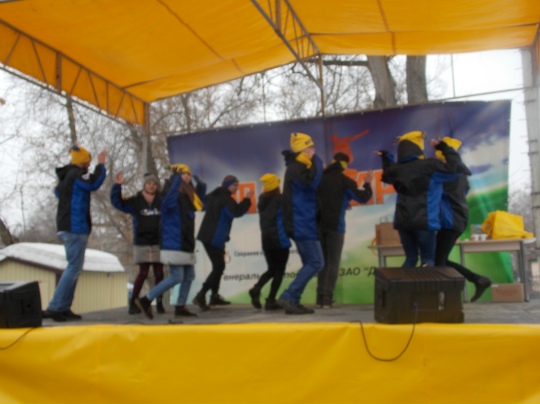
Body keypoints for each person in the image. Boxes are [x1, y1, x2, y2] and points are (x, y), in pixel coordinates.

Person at [377, 131, 470, 267]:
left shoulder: (397, 170)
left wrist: (386, 158)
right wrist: (444, 148)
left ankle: (403, 282)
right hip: (424, 221)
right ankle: (427, 282)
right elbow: (457, 168)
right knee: (428, 260)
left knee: (410, 259)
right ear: (418, 148)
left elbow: (387, 175)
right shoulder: (430, 166)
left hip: (403, 222)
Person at [43, 145, 107, 322]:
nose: (89, 165)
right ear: (82, 162)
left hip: (66, 226)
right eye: (88, 162)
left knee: (74, 267)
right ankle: (55, 307)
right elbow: (93, 183)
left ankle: (64, 307)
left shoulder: (65, 178)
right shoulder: (75, 175)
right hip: (75, 227)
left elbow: (58, 193)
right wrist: (101, 165)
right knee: (73, 267)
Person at [136, 164, 206, 318]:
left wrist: (201, 187)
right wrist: (175, 180)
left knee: (189, 276)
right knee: (177, 276)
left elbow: (201, 205)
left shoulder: (188, 195)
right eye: (183, 174)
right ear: (176, 176)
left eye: (188, 174)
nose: (187, 176)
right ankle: (146, 299)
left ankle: (180, 307)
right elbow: (168, 203)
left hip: (185, 242)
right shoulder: (170, 191)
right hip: (173, 242)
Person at [434, 137, 492, 302]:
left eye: (439, 158)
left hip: (451, 220)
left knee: (438, 261)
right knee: (439, 259)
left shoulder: (450, 175)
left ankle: (449, 297)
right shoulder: (461, 176)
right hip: (456, 219)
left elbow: (438, 193)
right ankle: (477, 279)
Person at [317, 152, 374, 308]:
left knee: (323, 262)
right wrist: (367, 183)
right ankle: (327, 297)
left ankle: (320, 297)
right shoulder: (345, 181)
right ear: (344, 165)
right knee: (333, 261)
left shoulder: (319, 179)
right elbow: (363, 197)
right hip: (336, 226)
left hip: (318, 225)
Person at [277, 132, 324, 315]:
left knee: (310, 263)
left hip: (304, 222)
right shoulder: (297, 168)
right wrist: (318, 161)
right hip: (301, 223)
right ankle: (289, 296)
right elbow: (311, 183)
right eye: (310, 147)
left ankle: (293, 301)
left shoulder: (299, 167)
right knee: (316, 262)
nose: (314, 150)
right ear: (302, 150)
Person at [192, 175, 252, 310]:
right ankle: (201, 295)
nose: (237, 188)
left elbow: (202, 205)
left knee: (218, 266)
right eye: (235, 185)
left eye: (238, 185)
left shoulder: (215, 195)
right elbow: (236, 212)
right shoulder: (226, 199)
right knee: (219, 266)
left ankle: (213, 296)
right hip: (214, 236)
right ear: (227, 185)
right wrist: (247, 199)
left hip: (209, 235)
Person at [110, 172, 165, 314]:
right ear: (144, 185)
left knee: (159, 273)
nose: (152, 186)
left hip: (158, 241)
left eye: (154, 184)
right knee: (143, 273)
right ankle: (133, 302)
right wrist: (117, 187)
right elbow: (118, 203)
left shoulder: (161, 200)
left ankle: (159, 302)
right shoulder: (136, 200)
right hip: (142, 241)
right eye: (149, 183)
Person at [248, 173, 291, 311]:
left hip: (266, 241)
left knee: (272, 269)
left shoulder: (262, 199)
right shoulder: (281, 199)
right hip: (280, 240)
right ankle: (271, 300)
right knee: (279, 271)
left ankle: (257, 289)